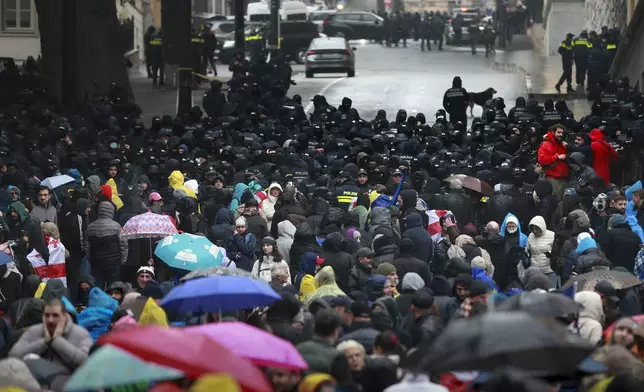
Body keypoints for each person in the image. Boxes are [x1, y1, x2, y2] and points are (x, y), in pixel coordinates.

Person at [9, 298, 92, 390]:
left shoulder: (80, 334)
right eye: (47, 315)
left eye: (55, 315)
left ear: (64, 316)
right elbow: (13, 355)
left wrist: (57, 340)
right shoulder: (34, 331)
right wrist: (44, 341)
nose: (50, 320)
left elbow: (85, 361)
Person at [296, 309, 351, 383]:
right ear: (335, 331)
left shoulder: (298, 348)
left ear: (314, 327)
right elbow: (344, 385)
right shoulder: (338, 356)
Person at [85, 201, 128, 290]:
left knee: (98, 289)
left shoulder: (90, 227)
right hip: (114, 263)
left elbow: (87, 246)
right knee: (114, 289)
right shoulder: (117, 226)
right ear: (111, 211)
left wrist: (91, 259)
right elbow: (123, 245)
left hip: (96, 263)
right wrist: (122, 261)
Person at [537, 124, 569, 200]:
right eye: (559, 132)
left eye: (562, 133)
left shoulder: (562, 144)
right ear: (553, 132)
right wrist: (556, 157)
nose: (561, 134)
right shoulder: (546, 144)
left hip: (564, 178)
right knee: (555, 201)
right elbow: (541, 159)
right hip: (553, 179)